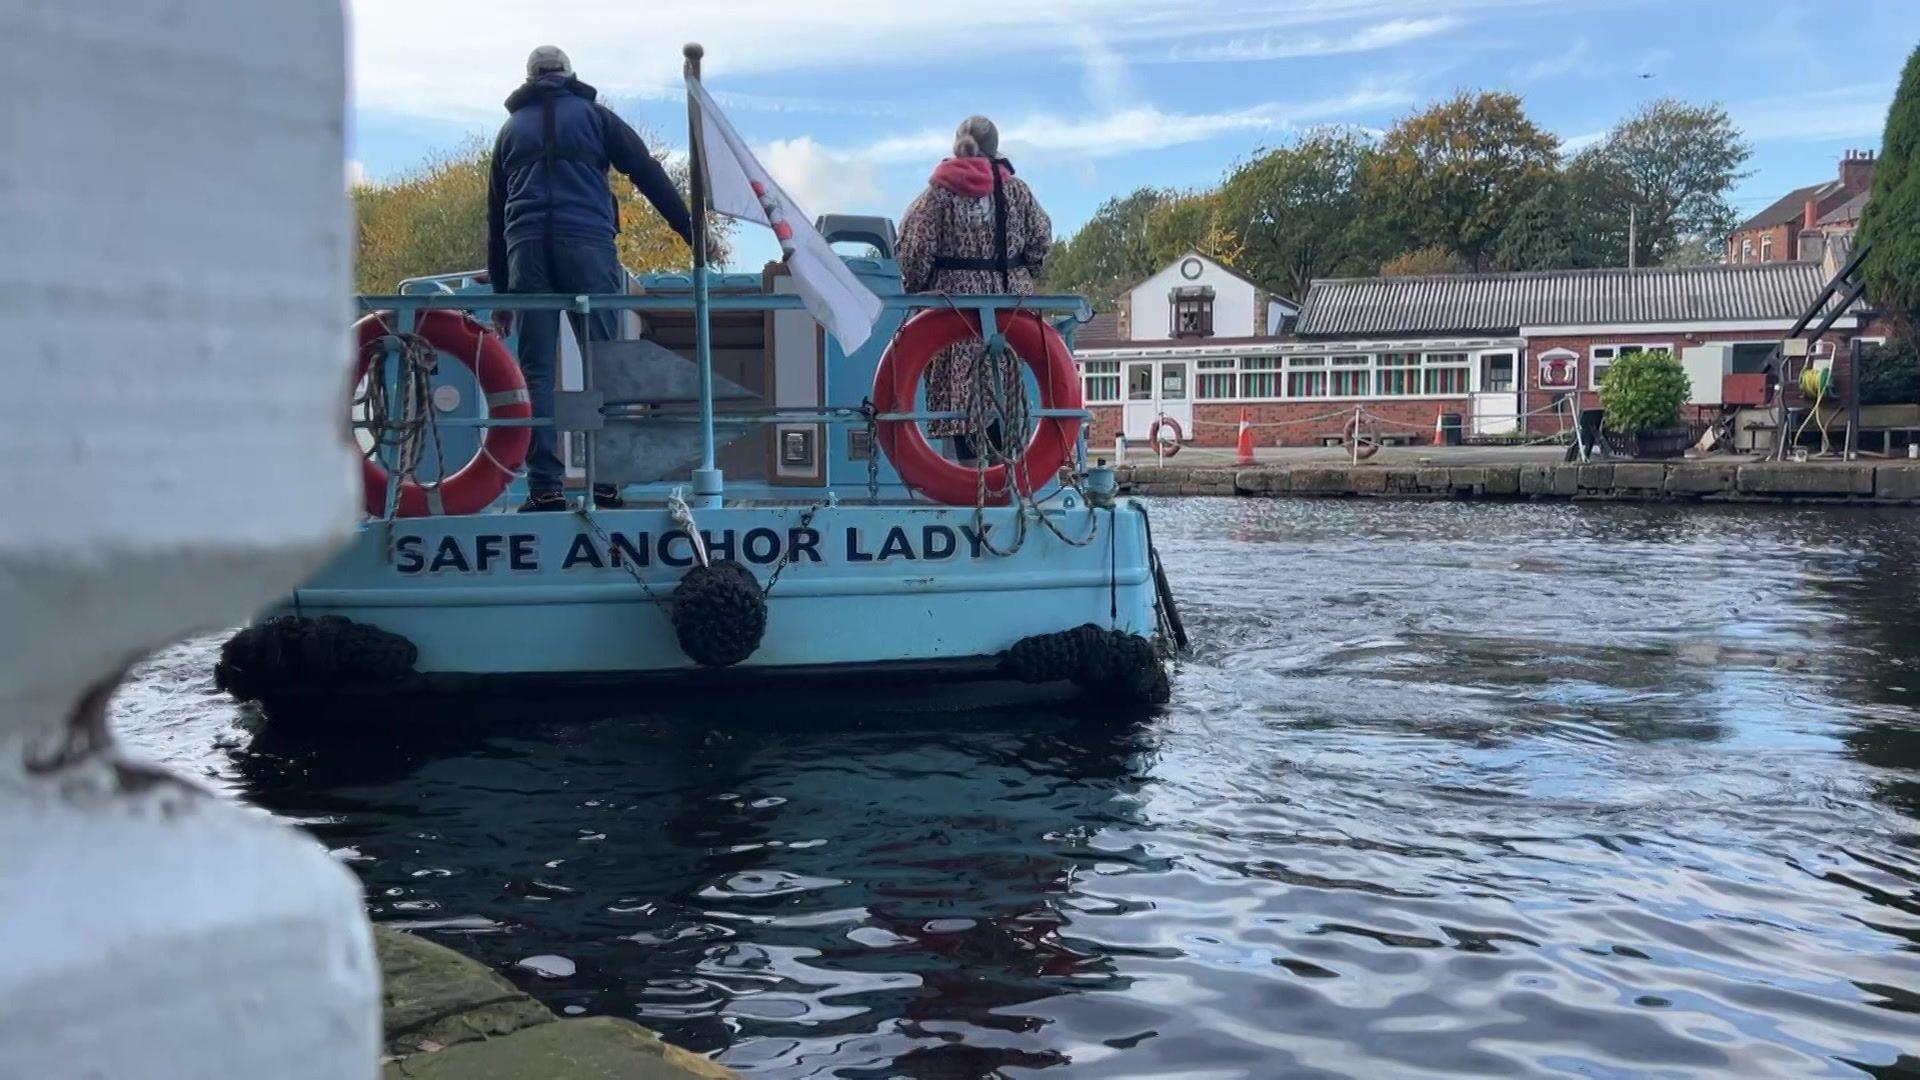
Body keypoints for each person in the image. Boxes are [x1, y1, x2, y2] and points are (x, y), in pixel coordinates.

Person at [486, 46, 694, 511]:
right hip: (587, 246)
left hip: (527, 254)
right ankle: (607, 481)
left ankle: (545, 488)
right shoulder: (597, 118)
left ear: (529, 78)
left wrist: (502, 296)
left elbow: (495, 221)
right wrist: (690, 230)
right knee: (606, 362)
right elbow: (647, 171)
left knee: (535, 372)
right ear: (569, 75)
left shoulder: (509, 131)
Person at [895, 116, 1052, 464]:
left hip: (953, 313)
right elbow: (1042, 239)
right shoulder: (1018, 192)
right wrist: (1026, 271)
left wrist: (918, 284)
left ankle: (967, 473)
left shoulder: (936, 196)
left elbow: (913, 252)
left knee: (961, 400)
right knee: (1003, 391)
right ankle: (1005, 471)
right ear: (994, 148)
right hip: (1009, 313)